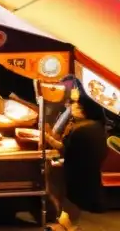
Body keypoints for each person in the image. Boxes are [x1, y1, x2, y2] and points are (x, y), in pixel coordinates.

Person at [50, 93, 107, 229]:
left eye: (78, 106)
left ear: (86, 110)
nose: (73, 108)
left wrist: (50, 140)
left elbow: (67, 151)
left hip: (78, 181)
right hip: (88, 178)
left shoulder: (83, 130)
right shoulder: (97, 126)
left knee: (70, 211)